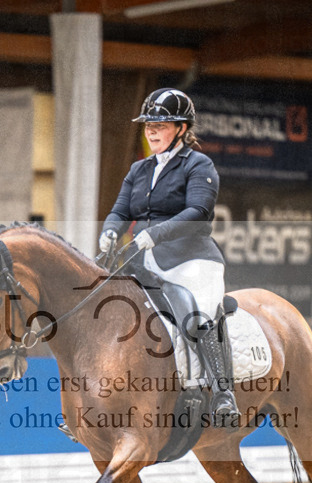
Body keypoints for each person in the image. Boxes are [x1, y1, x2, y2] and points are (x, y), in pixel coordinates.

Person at [98, 87, 238, 426]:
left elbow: (198, 210)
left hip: (193, 260)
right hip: (147, 261)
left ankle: (223, 394)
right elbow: (119, 210)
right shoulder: (139, 170)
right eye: (148, 125)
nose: (151, 131)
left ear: (181, 129)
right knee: (109, 311)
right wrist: (110, 231)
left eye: (159, 125)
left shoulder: (199, 164)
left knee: (198, 316)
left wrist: (155, 233)